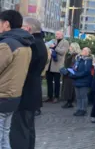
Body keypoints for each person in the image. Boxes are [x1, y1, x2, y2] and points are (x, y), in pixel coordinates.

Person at [10, 17, 47, 149]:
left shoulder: (31, 44)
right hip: (32, 90)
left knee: (20, 129)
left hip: (26, 91)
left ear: (27, 29)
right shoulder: (39, 42)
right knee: (28, 127)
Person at [0, 10, 33, 148]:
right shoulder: (25, 44)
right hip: (13, 96)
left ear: (6, 24)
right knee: (4, 134)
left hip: (2, 96)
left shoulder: (7, 45)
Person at [67, 47, 93, 116]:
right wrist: (70, 72)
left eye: (85, 50)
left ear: (88, 53)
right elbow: (74, 68)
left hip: (84, 81)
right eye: (83, 50)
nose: (83, 51)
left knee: (83, 96)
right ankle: (79, 109)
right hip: (77, 80)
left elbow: (86, 71)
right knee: (78, 96)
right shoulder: (78, 59)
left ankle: (83, 110)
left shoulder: (88, 60)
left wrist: (76, 75)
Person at [45, 31, 69, 103]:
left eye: (58, 34)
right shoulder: (53, 41)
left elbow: (62, 52)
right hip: (49, 64)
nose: (56, 35)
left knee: (57, 82)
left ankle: (56, 96)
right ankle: (49, 96)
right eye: (56, 34)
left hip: (57, 65)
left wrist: (54, 47)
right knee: (49, 81)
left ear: (62, 35)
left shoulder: (65, 42)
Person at [61, 42, 81, 109]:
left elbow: (74, 66)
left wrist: (68, 70)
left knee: (69, 89)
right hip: (67, 73)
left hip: (70, 74)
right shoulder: (70, 55)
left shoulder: (75, 56)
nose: (69, 47)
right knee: (67, 88)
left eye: (70, 46)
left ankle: (69, 102)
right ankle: (69, 102)